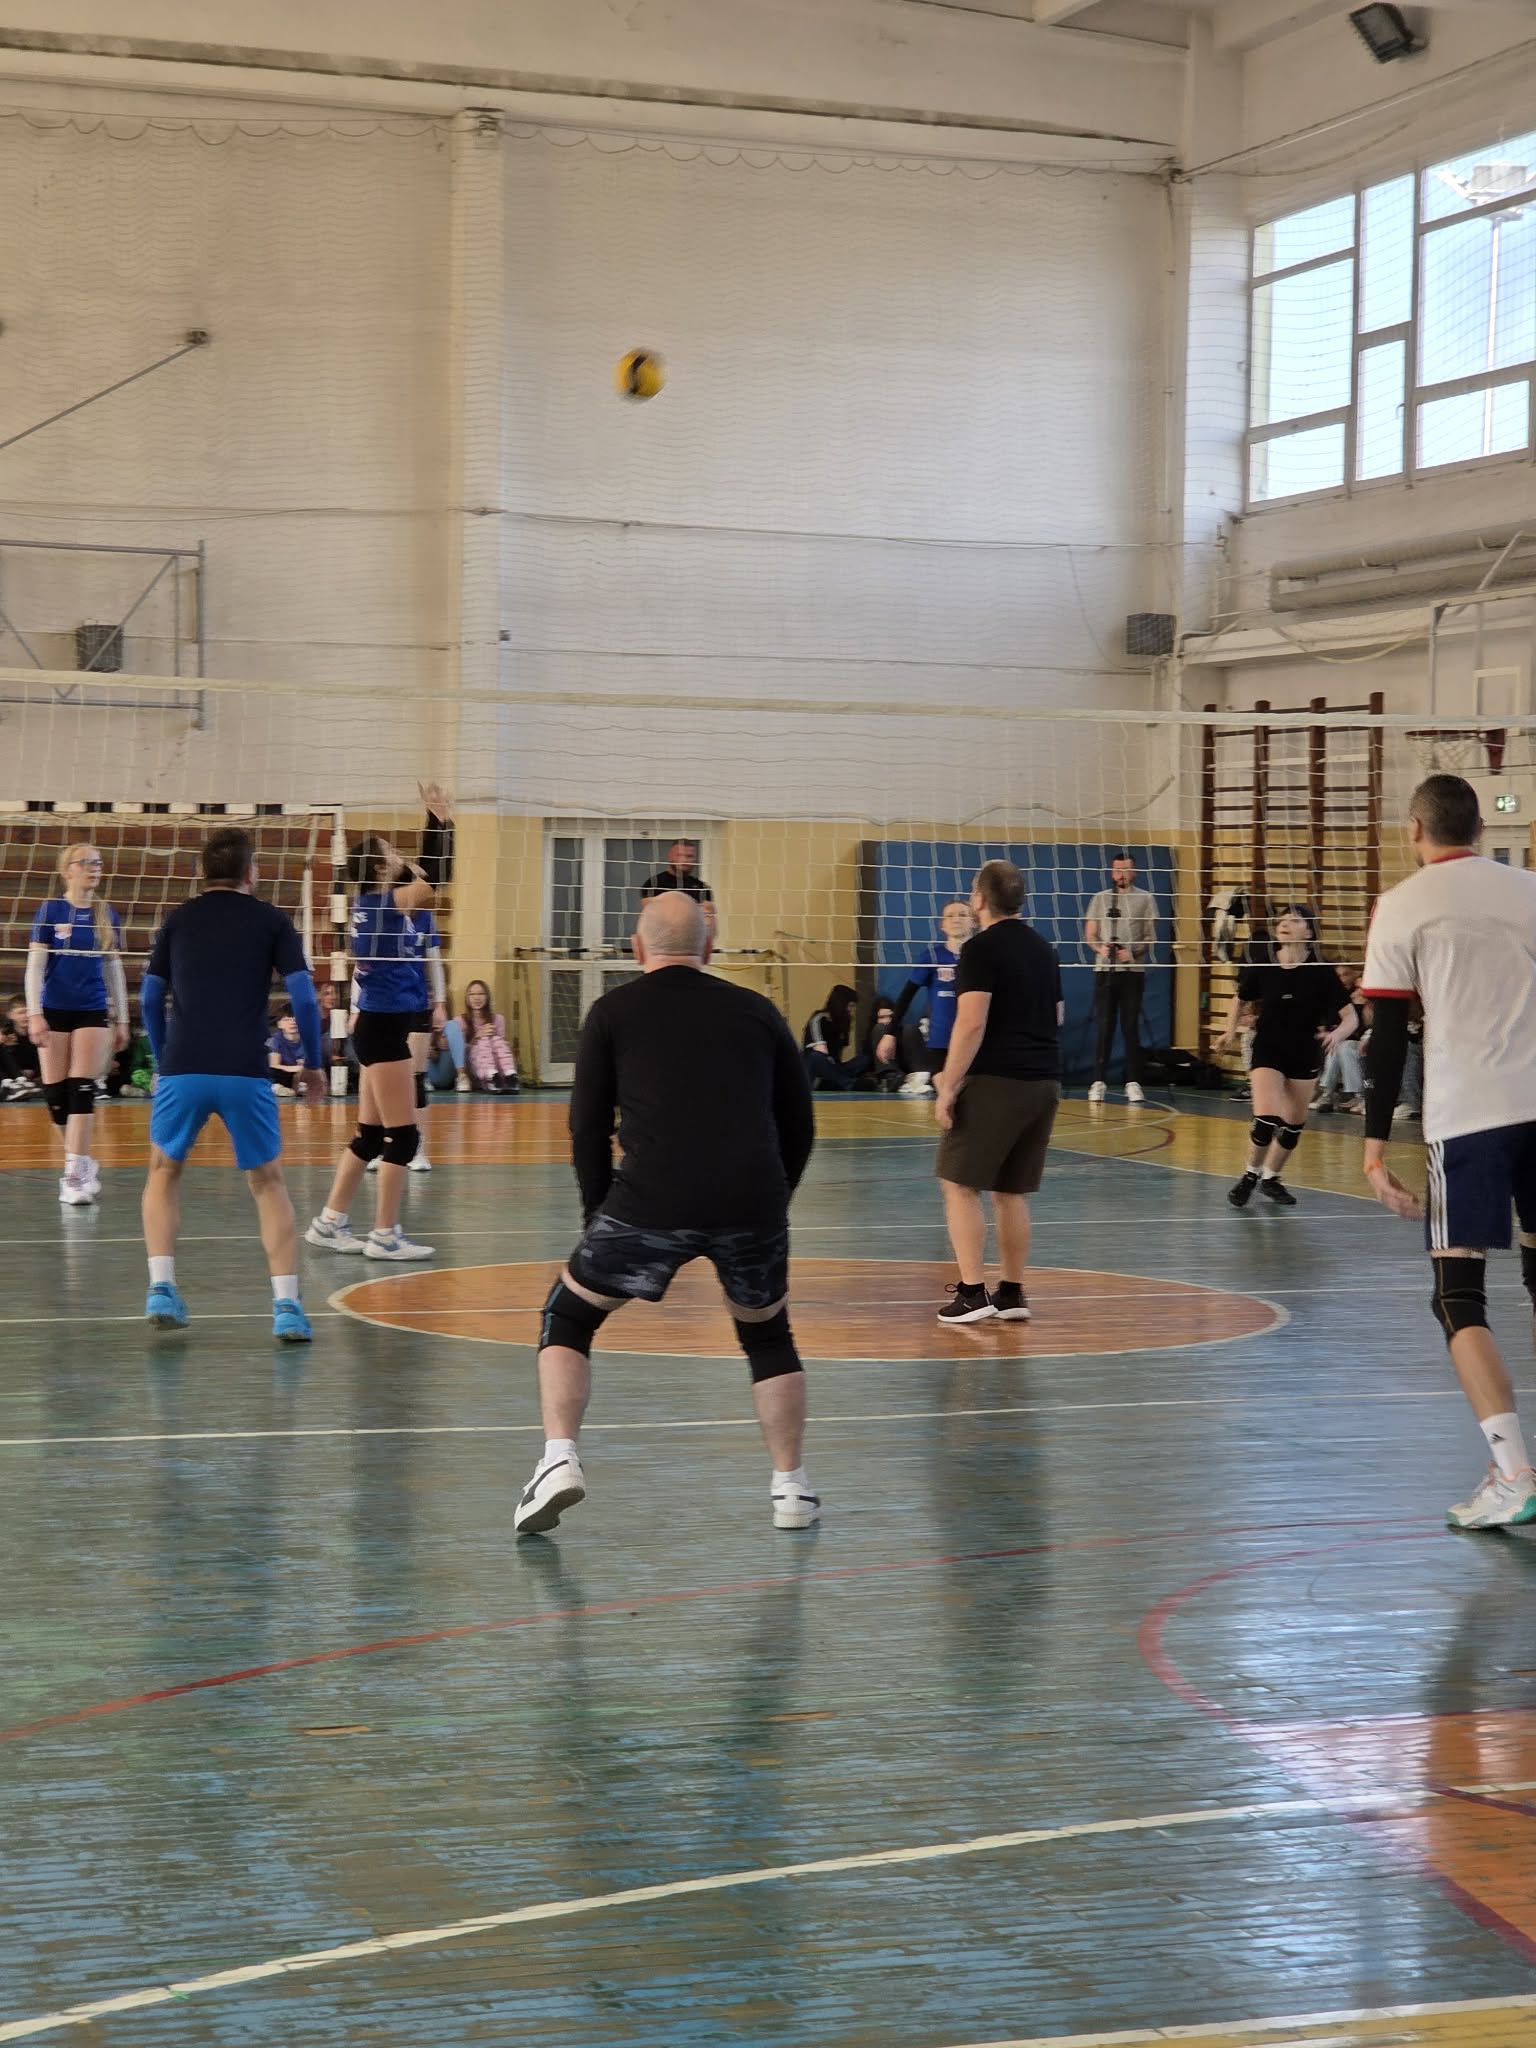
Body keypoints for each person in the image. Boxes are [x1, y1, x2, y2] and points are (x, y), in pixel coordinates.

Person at [513, 891, 817, 1537]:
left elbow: (586, 1127)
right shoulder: (758, 1010)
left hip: (650, 1199)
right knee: (767, 1334)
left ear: (636, 947)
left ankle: (559, 1458)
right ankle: (791, 1488)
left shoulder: (611, 1011)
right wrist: (772, 1200)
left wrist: (598, 1215)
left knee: (568, 1315)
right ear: (708, 946)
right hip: (752, 1200)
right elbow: (800, 1123)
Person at [1361, 774, 1536, 1529]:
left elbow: (1387, 1039)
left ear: (1414, 829)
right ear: (1479, 828)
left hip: (1469, 1118)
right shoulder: (1529, 890)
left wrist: (1373, 1151)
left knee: (1457, 1296)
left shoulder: (1402, 905)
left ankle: (1513, 1473)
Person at [139, 826, 328, 1341]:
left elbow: (150, 999)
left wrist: (164, 1057)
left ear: (203, 872)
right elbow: (304, 998)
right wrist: (313, 1064)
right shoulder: (272, 921)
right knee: (268, 1183)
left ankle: (162, 1287)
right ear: (251, 872)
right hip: (245, 1068)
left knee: (164, 1171)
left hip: (184, 1065)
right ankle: (287, 1306)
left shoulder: (178, 919)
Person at [306, 788, 452, 1262]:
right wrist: (439, 823)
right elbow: (438, 877)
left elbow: (428, 878)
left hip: (377, 1025)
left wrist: (436, 824)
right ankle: (385, 1235)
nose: (398, 853)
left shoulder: (376, 904)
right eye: (390, 851)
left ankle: (329, 1222)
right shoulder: (387, 904)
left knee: (369, 1136)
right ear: (377, 866)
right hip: (385, 1030)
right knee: (403, 1137)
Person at [934, 860, 1062, 1324]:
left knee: (958, 1184)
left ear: (980, 899)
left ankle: (972, 1293)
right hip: (1044, 1082)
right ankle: (1011, 1292)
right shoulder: (1044, 949)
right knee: (1010, 1191)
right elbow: (1058, 1016)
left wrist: (948, 1086)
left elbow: (971, 1022)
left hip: (997, 1082)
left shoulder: (980, 949)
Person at [1215, 907, 1355, 1210]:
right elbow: (1240, 998)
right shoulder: (1265, 962)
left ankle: (1271, 1178)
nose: (1285, 924)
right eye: (1282, 920)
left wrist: (1337, 1035)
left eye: (1294, 920)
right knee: (1266, 1119)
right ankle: (1250, 1175)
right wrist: (1229, 1032)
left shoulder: (1320, 970)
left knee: (1292, 1125)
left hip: (1304, 1051)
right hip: (1268, 1047)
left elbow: (1351, 1018)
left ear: (1309, 932)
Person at [26, 843, 129, 1206]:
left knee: (81, 1088)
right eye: (85, 862)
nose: (93, 868)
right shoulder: (50, 910)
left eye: (97, 862)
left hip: (92, 1009)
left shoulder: (106, 913)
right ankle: (82, 1161)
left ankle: (73, 1176)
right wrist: (35, 1013)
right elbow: (35, 967)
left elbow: (113, 968)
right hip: (53, 1009)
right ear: (66, 870)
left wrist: (123, 1019)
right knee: (56, 1097)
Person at [1084, 853, 1157, 1106]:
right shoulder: (1101, 898)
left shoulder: (1145, 898)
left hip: (1132, 972)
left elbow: (1150, 936)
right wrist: (1101, 949)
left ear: (1134, 872)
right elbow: (1090, 934)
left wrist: (1132, 952)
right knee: (1104, 1026)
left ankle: (1133, 1081)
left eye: (1126, 869)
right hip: (1105, 971)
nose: (1121, 874)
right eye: (1117, 870)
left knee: (1130, 1026)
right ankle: (1098, 1081)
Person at [883, 900, 973, 1100]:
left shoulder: (981, 956)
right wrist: (890, 1034)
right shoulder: (932, 956)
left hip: (974, 1042)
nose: (956, 919)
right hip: (941, 1043)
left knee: (971, 1102)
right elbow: (906, 995)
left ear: (973, 921)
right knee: (949, 1100)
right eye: (950, 916)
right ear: (942, 925)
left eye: (962, 914)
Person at [802, 984, 871, 1091]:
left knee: (865, 1059)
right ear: (841, 1004)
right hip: (818, 1071)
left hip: (834, 1068)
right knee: (816, 1057)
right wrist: (834, 1067)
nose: (852, 1010)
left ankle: (838, 1081)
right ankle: (849, 1083)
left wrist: (837, 1068)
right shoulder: (819, 1019)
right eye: (850, 1006)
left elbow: (837, 1056)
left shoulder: (842, 1023)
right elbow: (821, 1051)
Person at [460, 979, 519, 1092]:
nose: (477, 998)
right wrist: (477, 1037)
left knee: (496, 1040)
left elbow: (503, 1050)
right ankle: (491, 1077)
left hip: (500, 1068)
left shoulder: (498, 1019)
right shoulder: (460, 1021)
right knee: (484, 1041)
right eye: (472, 994)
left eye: (481, 994)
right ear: (467, 998)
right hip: (478, 1069)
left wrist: (500, 1042)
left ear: (487, 997)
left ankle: (510, 1075)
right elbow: (460, 1052)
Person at [1, 995, 43, 1100]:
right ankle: (10, 1084)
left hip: (35, 1074)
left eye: (29, 1012)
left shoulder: (40, 1031)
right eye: (21, 1012)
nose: (26, 1016)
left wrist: (35, 1072)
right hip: (14, 1075)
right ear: (10, 1015)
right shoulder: (6, 1032)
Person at [268, 1007, 305, 1093]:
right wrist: (292, 1068)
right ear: (279, 1024)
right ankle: (277, 1088)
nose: (292, 1022)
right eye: (287, 1020)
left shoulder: (307, 1039)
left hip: (300, 1075)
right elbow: (274, 1065)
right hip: (282, 1074)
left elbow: (306, 1064)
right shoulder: (275, 1039)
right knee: (271, 1071)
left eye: (296, 1019)